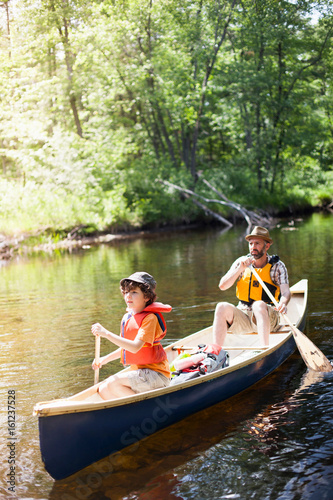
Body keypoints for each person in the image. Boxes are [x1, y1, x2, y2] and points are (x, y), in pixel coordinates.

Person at [91, 272, 172, 400]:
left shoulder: (150, 318)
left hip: (157, 376)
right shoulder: (128, 317)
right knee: (103, 389)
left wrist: (106, 333)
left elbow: (135, 347)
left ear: (146, 297)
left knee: (113, 383)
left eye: (134, 292)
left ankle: (144, 409)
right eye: (126, 292)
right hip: (141, 374)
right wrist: (103, 360)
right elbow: (125, 348)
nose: (128, 296)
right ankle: (129, 411)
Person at [213, 226, 290, 347]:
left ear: (267, 246)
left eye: (257, 243)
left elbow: (286, 292)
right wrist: (240, 269)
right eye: (251, 243)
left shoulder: (277, 266)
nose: (253, 247)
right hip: (244, 316)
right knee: (221, 307)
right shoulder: (242, 263)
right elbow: (222, 286)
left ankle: (264, 350)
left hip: (269, 318)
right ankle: (215, 352)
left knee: (258, 305)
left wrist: (283, 303)